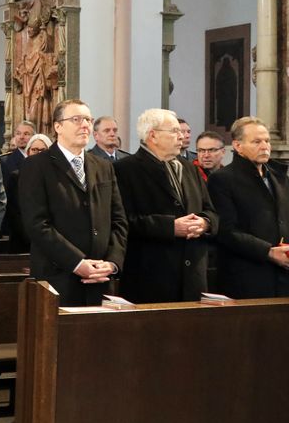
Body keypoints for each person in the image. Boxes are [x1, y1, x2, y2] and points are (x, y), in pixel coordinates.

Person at [19, 99, 127, 307]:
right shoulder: (36, 166)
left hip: (100, 277)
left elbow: (119, 219)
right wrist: (77, 262)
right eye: (76, 119)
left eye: (88, 119)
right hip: (58, 276)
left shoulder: (103, 166)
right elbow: (37, 224)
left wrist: (112, 263)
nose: (84, 124)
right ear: (58, 126)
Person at [114, 109, 217, 303]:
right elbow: (124, 221)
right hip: (152, 276)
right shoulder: (125, 170)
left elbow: (211, 211)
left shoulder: (189, 168)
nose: (182, 136)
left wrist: (205, 223)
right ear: (152, 135)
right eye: (174, 131)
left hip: (192, 276)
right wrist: (170, 227)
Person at [206, 117, 289, 299]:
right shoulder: (222, 180)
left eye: (267, 141)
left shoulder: (279, 177)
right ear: (237, 146)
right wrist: (268, 251)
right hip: (247, 276)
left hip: (283, 276)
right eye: (256, 142)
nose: (265, 146)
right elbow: (225, 230)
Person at [4, 133, 51, 252]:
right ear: (28, 152)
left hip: (51, 240)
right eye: (34, 149)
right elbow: (14, 211)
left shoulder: (56, 178)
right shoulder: (16, 176)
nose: (38, 153)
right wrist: (31, 237)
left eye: (42, 150)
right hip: (22, 239)